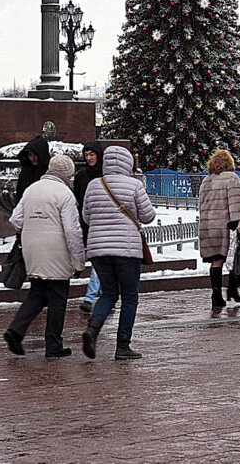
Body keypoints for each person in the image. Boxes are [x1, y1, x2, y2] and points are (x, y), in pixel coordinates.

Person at [4, 155, 85, 358]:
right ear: (68, 174)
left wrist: (34, 228)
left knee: (38, 292)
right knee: (58, 296)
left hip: (32, 248)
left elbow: (15, 219)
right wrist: (78, 260)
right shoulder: (65, 194)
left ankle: (16, 330)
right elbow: (72, 230)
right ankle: (53, 345)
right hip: (56, 250)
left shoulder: (32, 188)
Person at [81, 146, 157, 361]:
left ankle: (93, 330)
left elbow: (86, 217)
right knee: (130, 296)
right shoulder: (134, 185)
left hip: (98, 249)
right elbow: (148, 216)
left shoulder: (94, 185)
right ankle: (123, 345)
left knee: (108, 293)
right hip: (126, 249)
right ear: (128, 163)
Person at [197, 149, 240, 308]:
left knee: (216, 260)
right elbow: (236, 203)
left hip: (208, 226)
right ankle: (229, 292)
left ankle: (217, 293)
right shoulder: (232, 178)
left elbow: (201, 205)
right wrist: (239, 222)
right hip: (225, 225)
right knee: (233, 257)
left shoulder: (207, 180)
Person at [73, 141, 104, 314]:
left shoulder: (105, 175)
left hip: (102, 223)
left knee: (99, 260)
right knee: (99, 260)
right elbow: (77, 198)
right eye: (86, 155)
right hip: (86, 222)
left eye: (92, 154)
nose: (89, 158)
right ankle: (107, 294)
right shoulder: (81, 176)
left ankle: (90, 297)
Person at [16, 135, 50, 202]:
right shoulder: (26, 171)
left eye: (36, 155)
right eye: (30, 155)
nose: (33, 158)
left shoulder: (49, 171)